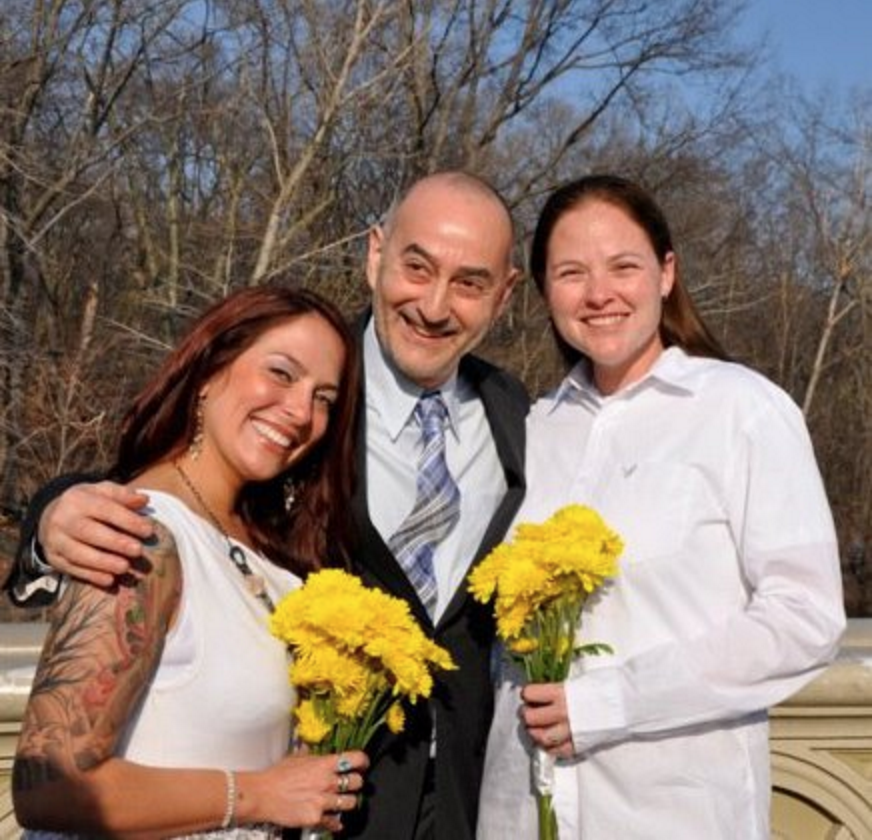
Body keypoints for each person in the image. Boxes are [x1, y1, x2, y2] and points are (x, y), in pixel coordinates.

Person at [5, 172, 529, 840]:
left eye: (470, 282)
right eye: (416, 266)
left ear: (505, 294)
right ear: (375, 254)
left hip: (457, 801)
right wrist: (52, 519)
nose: (433, 304)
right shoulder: (309, 374)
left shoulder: (518, 415)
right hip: (335, 811)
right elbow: (159, 498)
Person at [475, 174, 846, 839]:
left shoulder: (739, 409)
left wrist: (610, 703)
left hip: (674, 815)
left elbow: (804, 618)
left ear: (667, 272)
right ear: (543, 292)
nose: (599, 294)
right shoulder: (526, 430)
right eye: (570, 273)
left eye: (624, 266)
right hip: (521, 814)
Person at [12, 286, 369, 838]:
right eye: (280, 373)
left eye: (324, 397)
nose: (301, 412)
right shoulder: (138, 535)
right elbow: (50, 786)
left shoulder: (271, 556)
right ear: (208, 371)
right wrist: (261, 793)